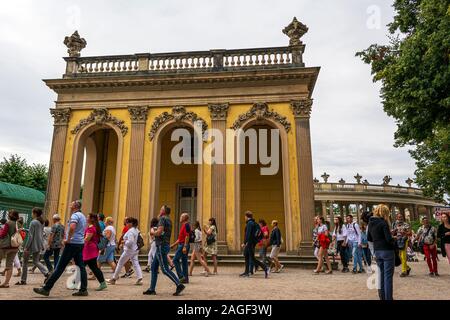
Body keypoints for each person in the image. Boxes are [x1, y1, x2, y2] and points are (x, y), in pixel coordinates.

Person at [34, 200, 88, 297]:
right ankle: (83, 289)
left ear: (75, 206)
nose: (70, 204)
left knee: (59, 267)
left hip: (72, 244)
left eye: (71, 203)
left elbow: (72, 227)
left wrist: (68, 239)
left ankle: (46, 288)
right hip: (79, 243)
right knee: (81, 267)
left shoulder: (75, 216)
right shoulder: (83, 216)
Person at [143, 205, 185, 296]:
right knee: (154, 268)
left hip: (161, 245)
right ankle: (152, 289)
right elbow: (163, 231)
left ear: (164, 211)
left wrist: (152, 232)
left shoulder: (162, 219)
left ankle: (179, 284)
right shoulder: (169, 219)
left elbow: (159, 231)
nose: (160, 210)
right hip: (164, 244)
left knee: (165, 269)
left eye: (161, 209)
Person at [368, 204, 395, 301]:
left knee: (381, 276)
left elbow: (369, 238)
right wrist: (394, 239)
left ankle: (382, 297)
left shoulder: (370, 223)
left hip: (377, 251)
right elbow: (388, 239)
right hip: (387, 251)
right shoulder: (383, 223)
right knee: (388, 277)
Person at [16, 208, 50, 285]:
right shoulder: (42, 222)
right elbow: (38, 233)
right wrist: (25, 229)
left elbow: (31, 236)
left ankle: (23, 280)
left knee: (25, 262)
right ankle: (47, 273)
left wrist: (27, 247)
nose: (31, 214)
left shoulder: (33, 222)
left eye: (32, 212)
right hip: (38, 244)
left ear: (35, 213)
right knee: (36, 261)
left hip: (31, 245)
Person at [107, 217, 143, 285]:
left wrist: (124, 242)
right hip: (135, 249)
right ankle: (140, 278)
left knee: (120, 263)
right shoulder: (136, 230)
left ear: (130, 223)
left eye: (127, 222)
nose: (126, 224)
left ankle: (114, 278)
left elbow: (130, 242)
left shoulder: (130, 231)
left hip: (129, 250)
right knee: (136, 264)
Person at [240, 211, 269, 278]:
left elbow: (248, 234)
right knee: (246, 255)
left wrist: (244, 243)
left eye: (245, 216)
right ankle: (246, 272)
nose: (244, 218)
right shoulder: (253, 223)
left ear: (247, 216)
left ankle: (265, 268)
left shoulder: (250, 223)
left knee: (251, 258)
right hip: (251, 242)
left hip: (250, 243)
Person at [83, 214, 107, 291]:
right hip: (89, 250)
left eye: (87, 217)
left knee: (82, 266)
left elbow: (86, 239)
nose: (86, 218)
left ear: (92, 219)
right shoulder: (92, 227)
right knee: (94, 268)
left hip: (89, 250)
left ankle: (77, 283)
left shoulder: (91, 228)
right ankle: (103, 283)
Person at [0, 210, 21, 288]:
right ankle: (6, 283)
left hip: (5, 246)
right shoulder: (18, 224)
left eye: (9, 213)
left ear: (10, 215)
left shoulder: (8, 223)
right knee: (9, 265)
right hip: (15, 246)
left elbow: (3, 234)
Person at [171, 213, 191, 284]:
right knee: (184, 262)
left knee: (175, 260)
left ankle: (181, 277)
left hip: (183, 245)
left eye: (181, 216)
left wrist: (185, 246)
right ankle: (185, 279)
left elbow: (187, 236)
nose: (180, 217)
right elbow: (180, 238)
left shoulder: (186, 225)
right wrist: (173, 245)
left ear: (184, 218)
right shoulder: (184, 225)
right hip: (182, 244)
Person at [392, 213, 412, 277]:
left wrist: (405, 232)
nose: (400, 218)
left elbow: (410, 233)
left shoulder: (406, 224)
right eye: (398, 217)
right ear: (397, 218)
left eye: (401, 217)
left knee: (403, 256)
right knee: (399, 256)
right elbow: (393, 232)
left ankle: (404, 271)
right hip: (397, 241)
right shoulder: (394, 224)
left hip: (404, 241)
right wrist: (393, 232)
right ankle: (407, 268)